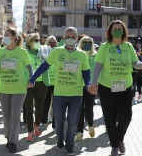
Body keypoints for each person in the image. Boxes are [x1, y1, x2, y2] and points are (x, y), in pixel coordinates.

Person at [88, 20, 142, 156]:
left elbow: (135, 63)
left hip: (125, 87)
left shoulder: (128, 46)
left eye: (119, 28)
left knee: (126, 117)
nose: (117, 30)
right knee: (110, 118)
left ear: (123, 31)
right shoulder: (104, 47)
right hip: (106, 87)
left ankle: (119, 138)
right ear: (110, 31)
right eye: (114, 28)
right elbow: (98, 66)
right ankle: (115, 145)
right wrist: (94, 83)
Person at [28, 26, 92, 156]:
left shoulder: (81, 55)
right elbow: (44, 66)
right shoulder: (56, 52)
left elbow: (86, 73)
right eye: (67, 37)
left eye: (72, 37)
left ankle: (69, 145)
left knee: (73, 121)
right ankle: (60, 138)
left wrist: (88, 84)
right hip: (59, 94)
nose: (70, 39)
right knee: (59, 120)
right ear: (63, 38)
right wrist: (33, 78)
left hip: (76, 94)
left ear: (76, 39)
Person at [0, 27, 33, 153]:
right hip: (3, 88)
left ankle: (13, 141)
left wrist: (31, 80)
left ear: (15, 37)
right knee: (6, 116)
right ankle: (8, 137)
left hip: (19, 89)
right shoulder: (0, 51)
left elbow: (29, 67)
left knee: (15, 116)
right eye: (4, 35)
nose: (5, 37)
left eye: (7, 35)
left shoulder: (22, 52)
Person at [24, 33, 49, 142]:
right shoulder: (25, 52)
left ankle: (37, 124)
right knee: (29, 108)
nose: (38, 42)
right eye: (35, 40)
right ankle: (30, 131)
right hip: (27, 83)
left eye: (39, 40)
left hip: (41, 83)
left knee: (39, 107)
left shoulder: (43, 51)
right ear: (30, 42)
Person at [75, 36, 96, 140]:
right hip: (78, 86)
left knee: (89, 108)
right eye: (85, 42)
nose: (87, 43)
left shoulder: (95, 56)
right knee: (79, 109)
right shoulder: (77, 55)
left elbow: (98, 71)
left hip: (90, 86)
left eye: (89, 42)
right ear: (81, 43)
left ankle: (91, 125)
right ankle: (79, 132)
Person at [41, 35, 58, 130]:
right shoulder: (43, 51)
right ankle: (44, 119)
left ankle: (54, 121)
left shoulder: (59, 51)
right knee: (46, 102)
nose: (52, 44)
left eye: (54, 42)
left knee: (56, 103)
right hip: (46, 80)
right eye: (50, 42)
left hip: (57, 81)